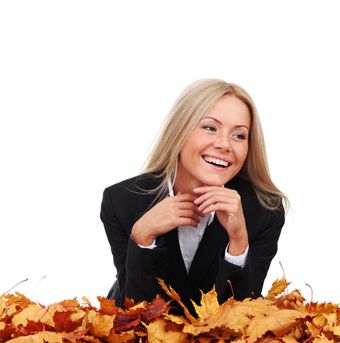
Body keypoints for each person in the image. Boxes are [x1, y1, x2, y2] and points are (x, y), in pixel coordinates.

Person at [100, 79, 287, 314]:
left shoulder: (264, 210)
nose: (224, 144)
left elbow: (244, 322)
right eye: (210, 127)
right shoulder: (122, 201)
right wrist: (142, 238)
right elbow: (135, 315)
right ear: (180, 130)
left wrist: (238, 242)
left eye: (239, 135)